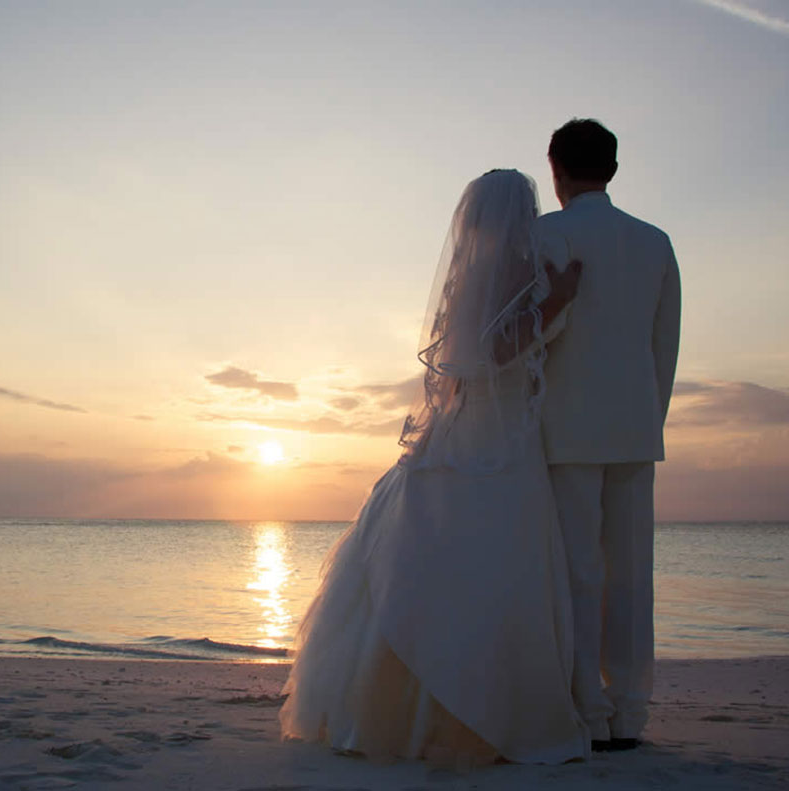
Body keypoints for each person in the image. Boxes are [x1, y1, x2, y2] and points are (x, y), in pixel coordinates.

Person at [279, 169, 590, 767]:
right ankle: (470, 708)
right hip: (496, 436)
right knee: (496, 562)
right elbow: (492, 352)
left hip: (478, 427)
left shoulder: (474, 273)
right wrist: (555, 302)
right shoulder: (512, 272)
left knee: (455, 557)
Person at [535, 119, 681, 752]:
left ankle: (586, 710)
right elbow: (664, 345)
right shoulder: (655, 242)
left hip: (564, 428)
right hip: (634, 424)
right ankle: (628, 712)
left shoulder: (545, 233)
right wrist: (653, 415)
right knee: (630, 574)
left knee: (576, 572)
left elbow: (538, 334)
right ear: (613, 170)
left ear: (556, 169)